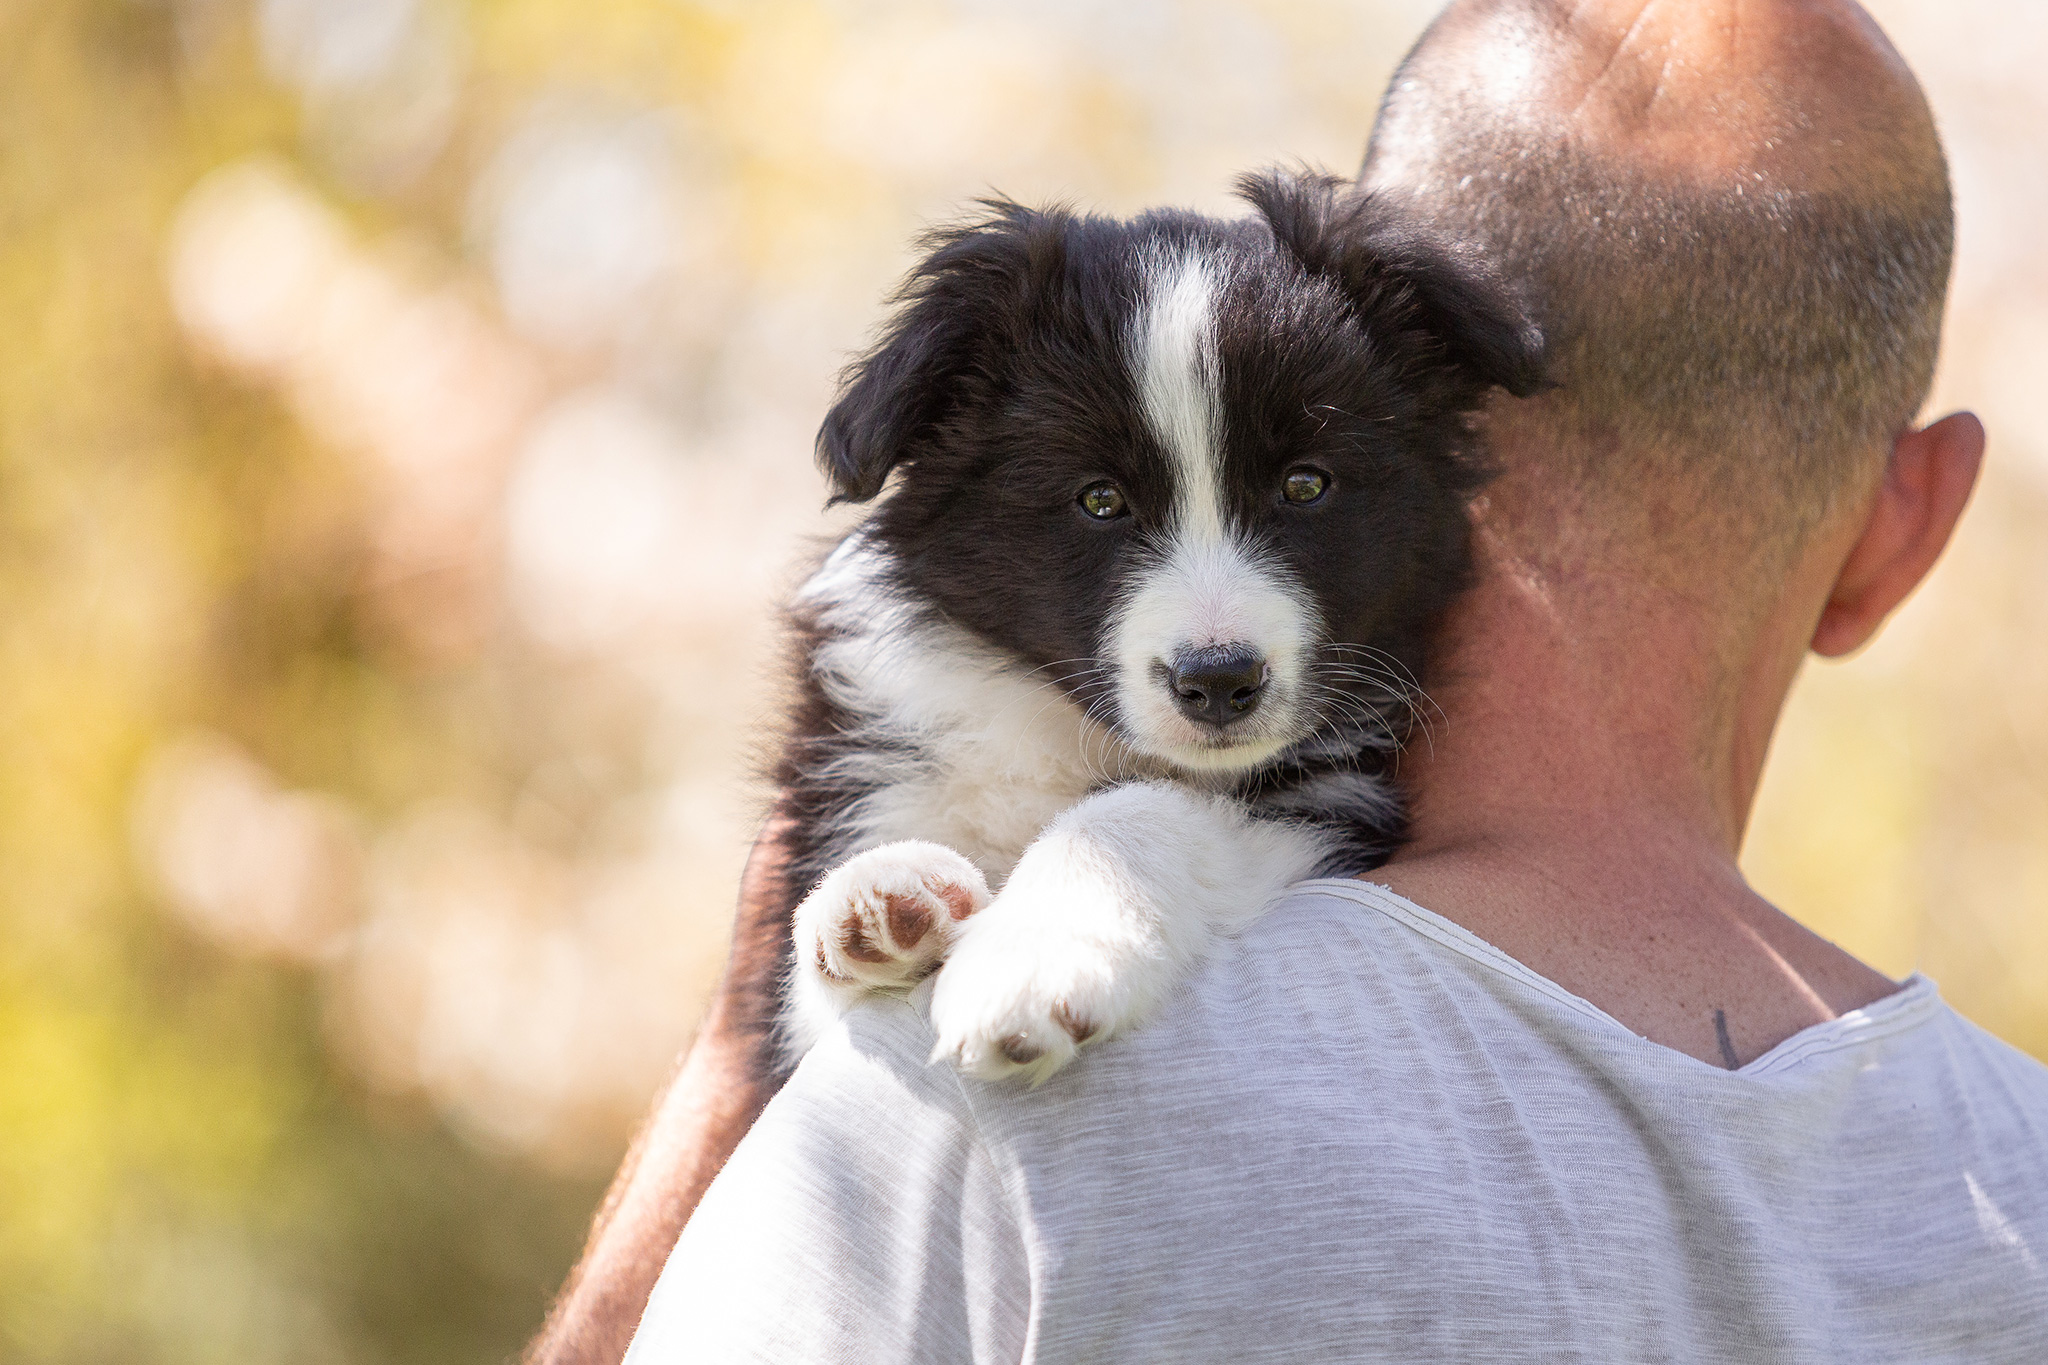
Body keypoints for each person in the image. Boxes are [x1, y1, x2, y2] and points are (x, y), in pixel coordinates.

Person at [535, 1, 2048, 1360]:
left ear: (1455, 447)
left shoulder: (963, 1105)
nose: (1212, 621)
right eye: (1110, 507)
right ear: (1905, 523)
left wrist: (741, 1077)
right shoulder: (2024, 1197)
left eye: (1301, 482)